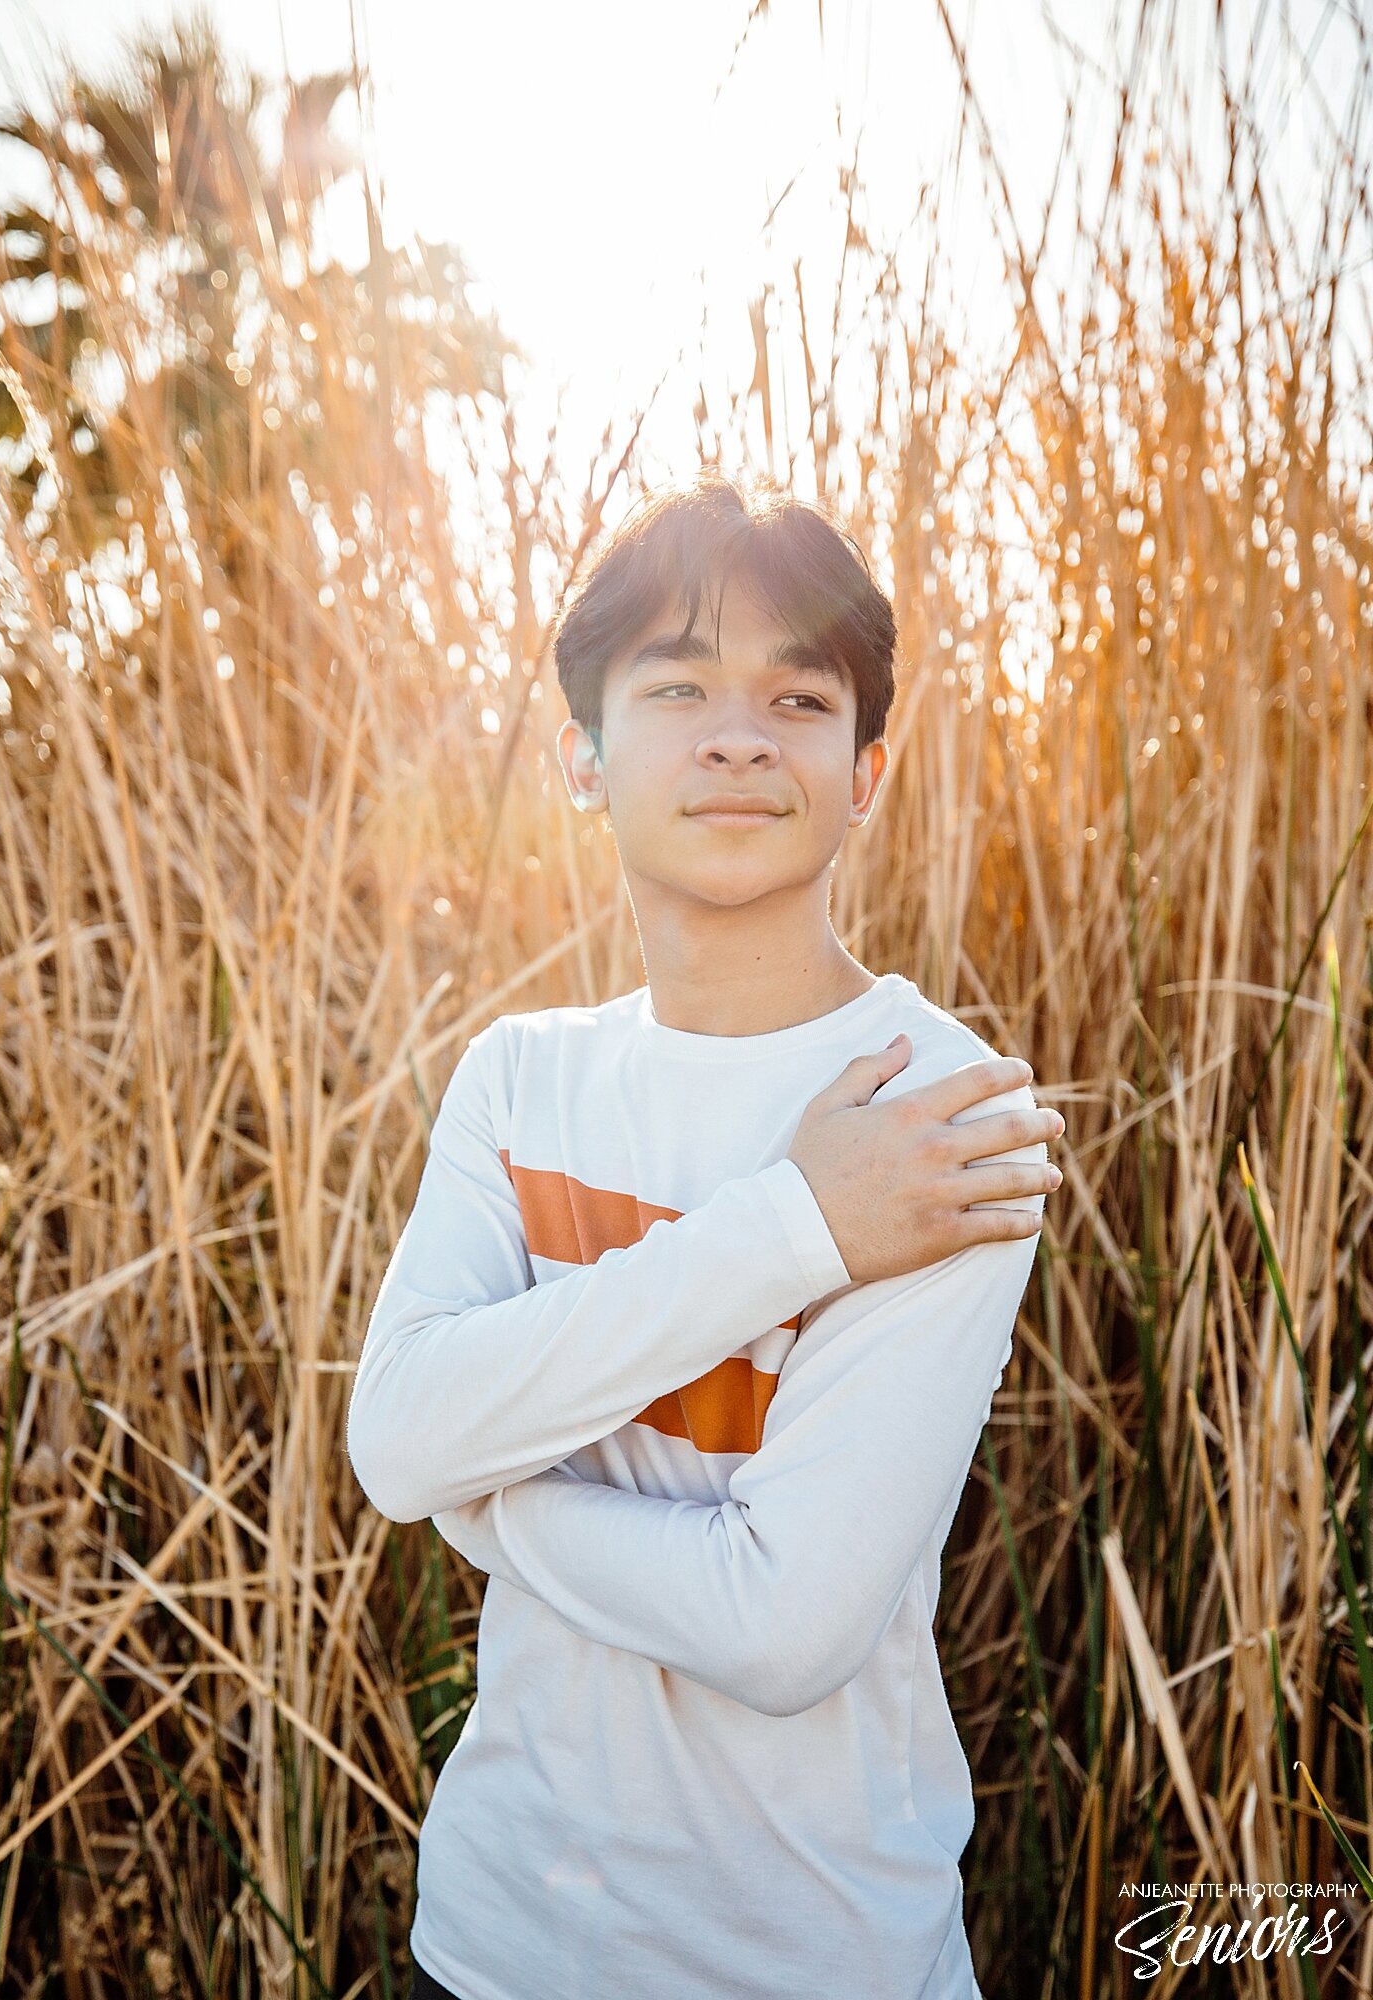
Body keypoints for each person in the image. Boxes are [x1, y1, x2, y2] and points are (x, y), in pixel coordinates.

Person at [346, 470, 1065, 2000]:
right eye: (677, 687)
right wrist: (798, 1226)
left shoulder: (946, 1117)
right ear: (587, 760)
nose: (738, 735)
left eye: (798, 699)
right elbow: (395, 1440)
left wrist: (490, 1504)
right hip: (491, 1945)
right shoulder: (520, 1078)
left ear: (865, 770)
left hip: (815, 1959)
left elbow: (783, 1622)